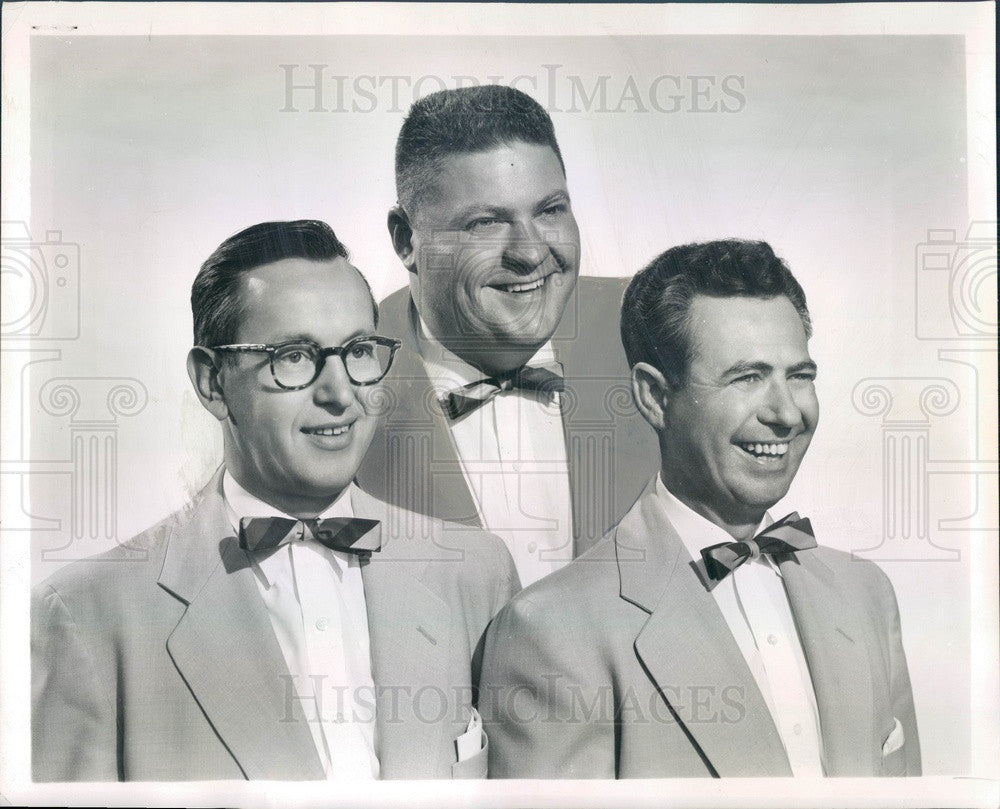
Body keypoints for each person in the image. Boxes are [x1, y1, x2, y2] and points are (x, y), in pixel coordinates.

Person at [32, 220, 519, 781]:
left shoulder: (478, 575)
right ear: (212, 382)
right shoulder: (87, 617)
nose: (340, 394)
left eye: (358, 351)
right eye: (293, 357)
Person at [480, 239, 921, 778]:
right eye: (747, 377)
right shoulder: (551, 631)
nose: (786, 413)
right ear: (654, 397)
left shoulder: (866, 593)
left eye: (799, 376)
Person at [356, 85, 659, 586]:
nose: (530, 251)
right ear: (406, 240)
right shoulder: (344, 375)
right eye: (485, 222)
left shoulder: (653, 325)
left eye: (550, 210)